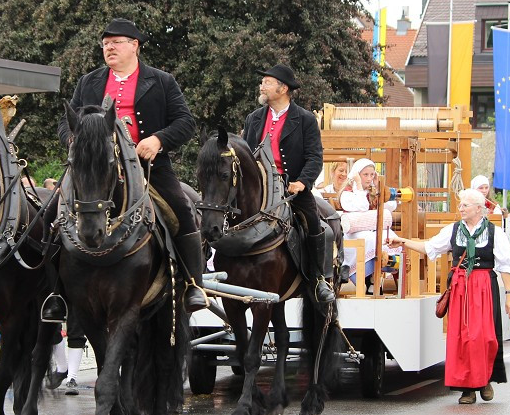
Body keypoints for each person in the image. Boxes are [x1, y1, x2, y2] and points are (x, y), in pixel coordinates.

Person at [50, 17, 206, 318]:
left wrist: (158, 140)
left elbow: (185, 122)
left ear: (135, 46)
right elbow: (65, 120)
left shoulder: (161, 81)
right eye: (105, 44)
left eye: (116, 43)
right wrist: (73, 138)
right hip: (94, 168)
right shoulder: (89, 82)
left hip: (149, 167)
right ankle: (56, 293)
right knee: (52, 215)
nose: (109, 48)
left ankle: (192, 285)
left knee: (183, 212)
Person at [390, 188, 510, 404]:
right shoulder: (454, 230)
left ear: (479, 208)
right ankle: (467, 389)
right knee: (462, 337)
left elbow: (505, 266)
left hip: (484, 286)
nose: (461, 208)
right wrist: (403, 241)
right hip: (461, 288)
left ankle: (484, 379)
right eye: (460, 205)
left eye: (465, 205)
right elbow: (430, 247)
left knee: (484, 336)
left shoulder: (495, 233)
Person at [241, 63, 334, 303]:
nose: (262, 86)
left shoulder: (304, 119)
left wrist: (302, 182)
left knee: (314, 222)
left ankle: (318, 279)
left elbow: (315, 157)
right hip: (259, 189)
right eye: (263, 82)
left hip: (291, 189)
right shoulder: (253, 119)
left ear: (283, 89)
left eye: (267, 82)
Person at [338, 158, 401, 291]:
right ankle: (367, 278)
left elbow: (391, 206)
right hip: (353, 232)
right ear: (357, 175)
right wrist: (359, 186)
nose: (369, 178)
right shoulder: (348, 193)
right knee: (372, 240)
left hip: (372, 229)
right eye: (365, 175)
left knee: (390, 237)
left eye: (372, 175)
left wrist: (379, 187)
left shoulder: (373, 192)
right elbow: (362, 207)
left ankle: (378, 276)